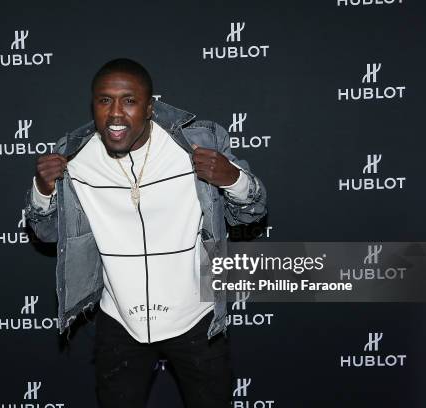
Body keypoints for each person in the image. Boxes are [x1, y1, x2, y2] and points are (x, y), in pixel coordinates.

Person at [24, 58, 266, 408]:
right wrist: (42, 189)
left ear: (150, 107)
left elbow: (253, 212)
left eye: (129, 100)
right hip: (119, 322)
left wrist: (233, 179)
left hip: (196, 319)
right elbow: (46, 234)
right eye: (104, 101)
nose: (116, 114)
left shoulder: (197, 144)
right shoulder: (71, 157)